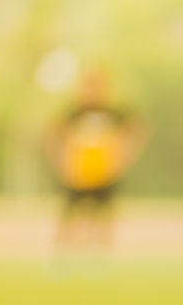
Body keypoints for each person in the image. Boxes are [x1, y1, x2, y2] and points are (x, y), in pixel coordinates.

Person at [45, 68, 146, 254]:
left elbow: (136, 128)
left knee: (103, 216)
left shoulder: (114, 113)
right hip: (78, 174)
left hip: (104, 173)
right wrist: (61, 163)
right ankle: (64, 254)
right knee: (69, 215)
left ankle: (99, 255)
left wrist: (122, 158)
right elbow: (55, 134)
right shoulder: (73, 113)